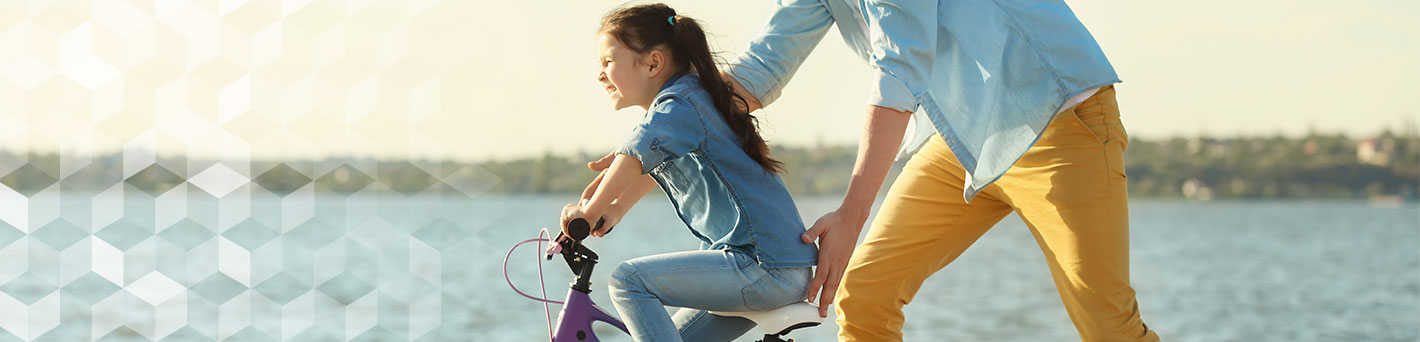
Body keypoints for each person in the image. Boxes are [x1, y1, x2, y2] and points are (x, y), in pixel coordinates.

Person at [592, 0, 1160, 340]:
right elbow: (754, 77)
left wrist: (851, 213)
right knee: (864, 295)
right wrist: (643, 154)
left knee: (1107, 326)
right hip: (965, 140)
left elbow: (899, 67)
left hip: (1057, 119)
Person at [560, 4, 817, 342]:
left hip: (763, 268)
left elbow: (636, 152)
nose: (600, 73)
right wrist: (616, 208)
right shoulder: (691, 100)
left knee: (627, 281)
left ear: (653, 62)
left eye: (608, 61)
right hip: (773, 268)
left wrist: (588, 214)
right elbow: (653, 162)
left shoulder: (679, 104)